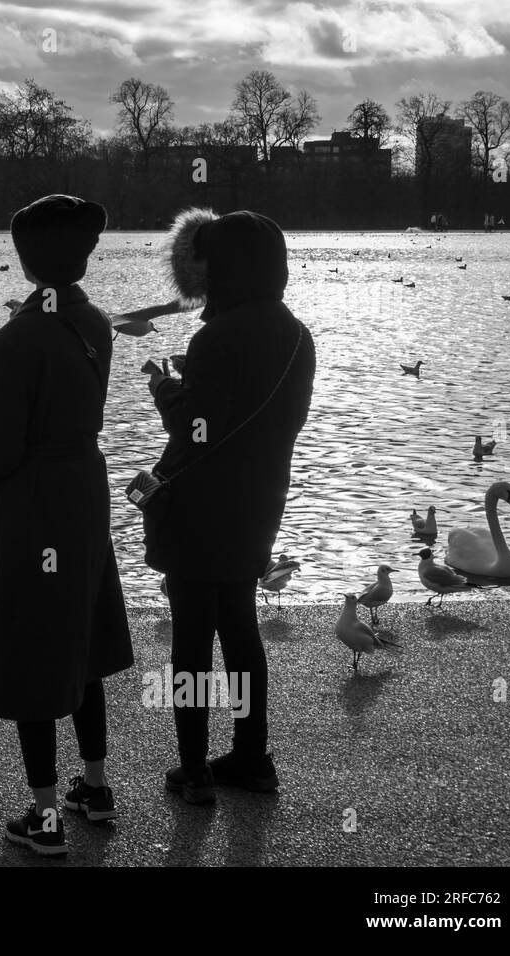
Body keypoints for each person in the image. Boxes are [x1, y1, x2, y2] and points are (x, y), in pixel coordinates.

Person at [0, 194, 133, 857]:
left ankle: (45, 819)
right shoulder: (95, 324)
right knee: (81, 639)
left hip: (33, 503)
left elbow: (2, 452)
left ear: (27, 259)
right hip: (84, 490)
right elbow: (61, 397)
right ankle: (96, 790)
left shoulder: (14, 337)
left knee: (29, 651)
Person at [141, 209, 315, 805]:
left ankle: (193, 769)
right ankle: (252, 756)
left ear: (226, 265)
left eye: (210, 258)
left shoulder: (215, 334)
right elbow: (269, 414)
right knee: (240, 627)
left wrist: (166, 389)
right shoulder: (297, 335)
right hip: (260, 500)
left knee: (191, 638)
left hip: (198, 507)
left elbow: (195, 430)